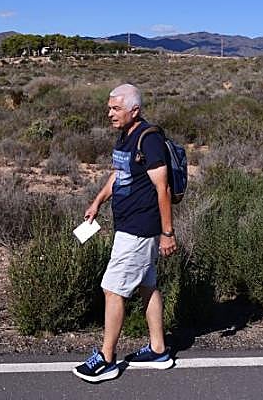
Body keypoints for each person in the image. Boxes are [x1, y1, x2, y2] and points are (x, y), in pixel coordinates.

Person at [74, 83, 177, 382]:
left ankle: (107, 359)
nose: (110, 113)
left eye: (116, 108)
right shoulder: (125, 136)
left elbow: (163, 189)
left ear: (134, 109)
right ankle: (158, 350)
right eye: (109, 108)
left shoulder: (150, 140)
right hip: (127, 226)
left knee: (113, 289)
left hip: (139, 229)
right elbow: (119, 173)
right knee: (147, 286)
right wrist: (97, 201)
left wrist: (167, 233)